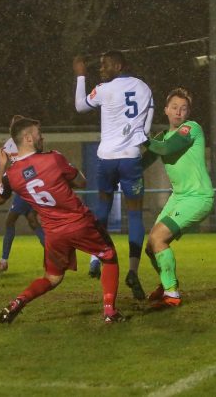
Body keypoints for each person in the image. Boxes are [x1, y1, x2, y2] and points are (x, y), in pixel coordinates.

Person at [0, 117, 123, 324]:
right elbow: (81, 182)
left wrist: (2, 167)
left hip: (54, 233)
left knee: (52, 278)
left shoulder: (11, 175)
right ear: (27, 138)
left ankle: (18, 301)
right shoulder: (53, 158)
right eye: (38, 134)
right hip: (79, 223)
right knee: (109, 257)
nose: (42, 137)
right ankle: (109, 312)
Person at [73, 50, 154, 300]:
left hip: (107, 158)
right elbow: (146, 128)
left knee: (102, 208)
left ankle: (96, 258)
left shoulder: (104, 89)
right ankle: (133, 270)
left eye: (104, 64)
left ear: (118, 66)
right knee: (135, 214)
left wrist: (80, 76)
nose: (101, 69)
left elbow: (80, 106)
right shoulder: (144, 88)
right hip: (131, 158)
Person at [141, 88, 214, 308]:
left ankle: (172, 295)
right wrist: (120, 165)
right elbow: (144, 161)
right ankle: (166, 284)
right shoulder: (162, 136)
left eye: (183, 108)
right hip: (179, 196)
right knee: (150, 246)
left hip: (198, 197)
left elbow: (166, 149)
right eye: (174, 107)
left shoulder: (191, 128)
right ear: (165, 110)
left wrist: (141, 137)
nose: (178, 112)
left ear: (188, 112)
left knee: (158, 239)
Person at [0, 115, 45, 272]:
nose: (12, 128)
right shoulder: (10, 143)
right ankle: (54, 253)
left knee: (10, 221)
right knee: (33, 221)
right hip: (22, 186)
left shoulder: (26, 142)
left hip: (26, 187)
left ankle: (3, 262)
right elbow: (0, 161)